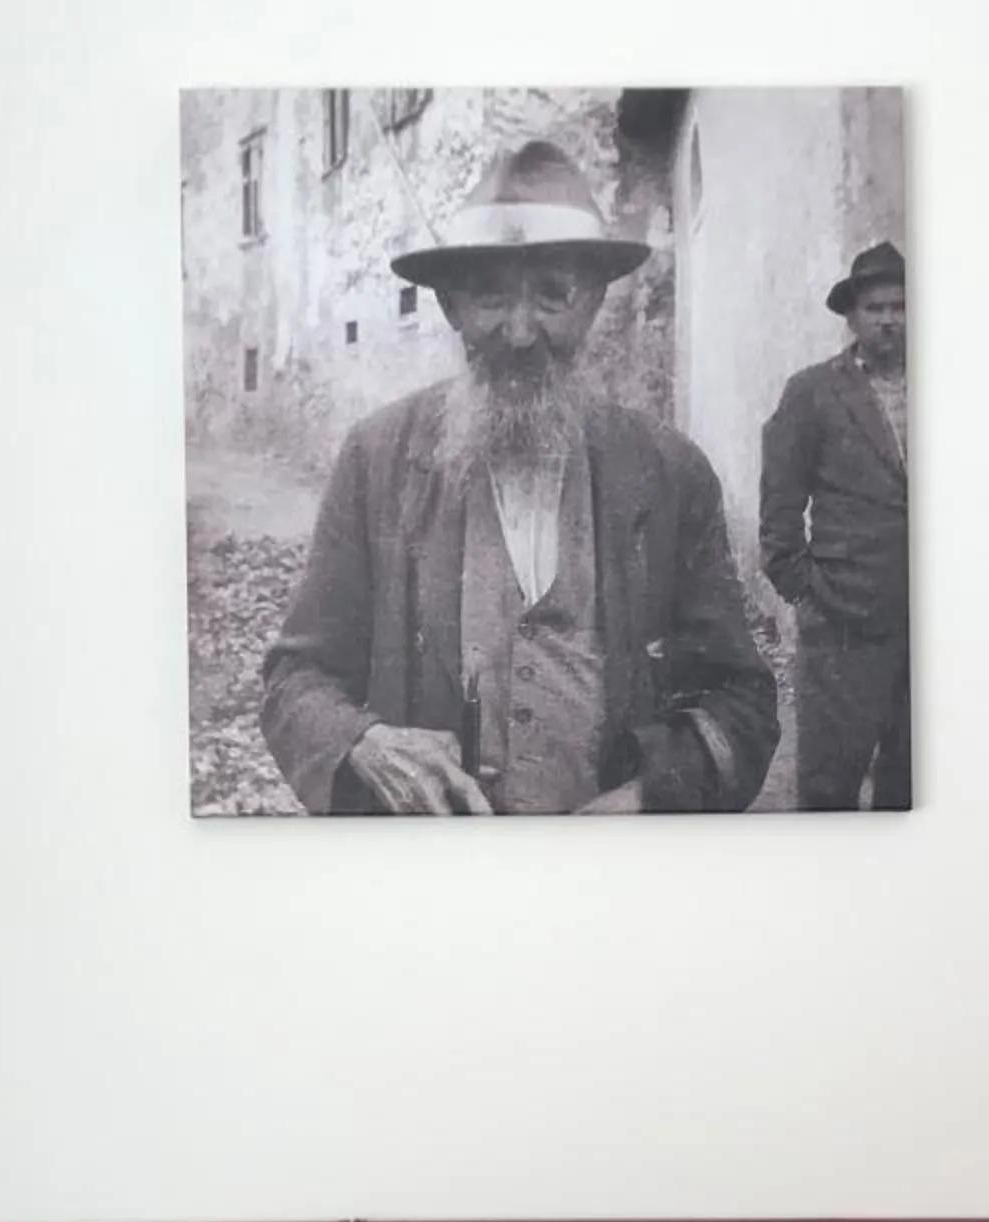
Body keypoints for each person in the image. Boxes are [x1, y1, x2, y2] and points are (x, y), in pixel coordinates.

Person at [261, 142, 777, 816]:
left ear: (593, 302)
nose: (522, 332)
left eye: (553, 293)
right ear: (450, 307)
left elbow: (742, 703)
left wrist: (649, 799)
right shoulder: (376, 459)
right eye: (491, 296)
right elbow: (294, 680)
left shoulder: (669, 474)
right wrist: (366, 743)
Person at [758, 242, 912, 811]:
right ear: (852, 317)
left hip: (928, 627)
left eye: (900, 306)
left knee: (911, 787)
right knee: (830, 788)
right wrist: (810, 593)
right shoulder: (813, 394)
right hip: (843, 628)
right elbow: (778, 511)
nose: (890, 320)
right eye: (876, 308)